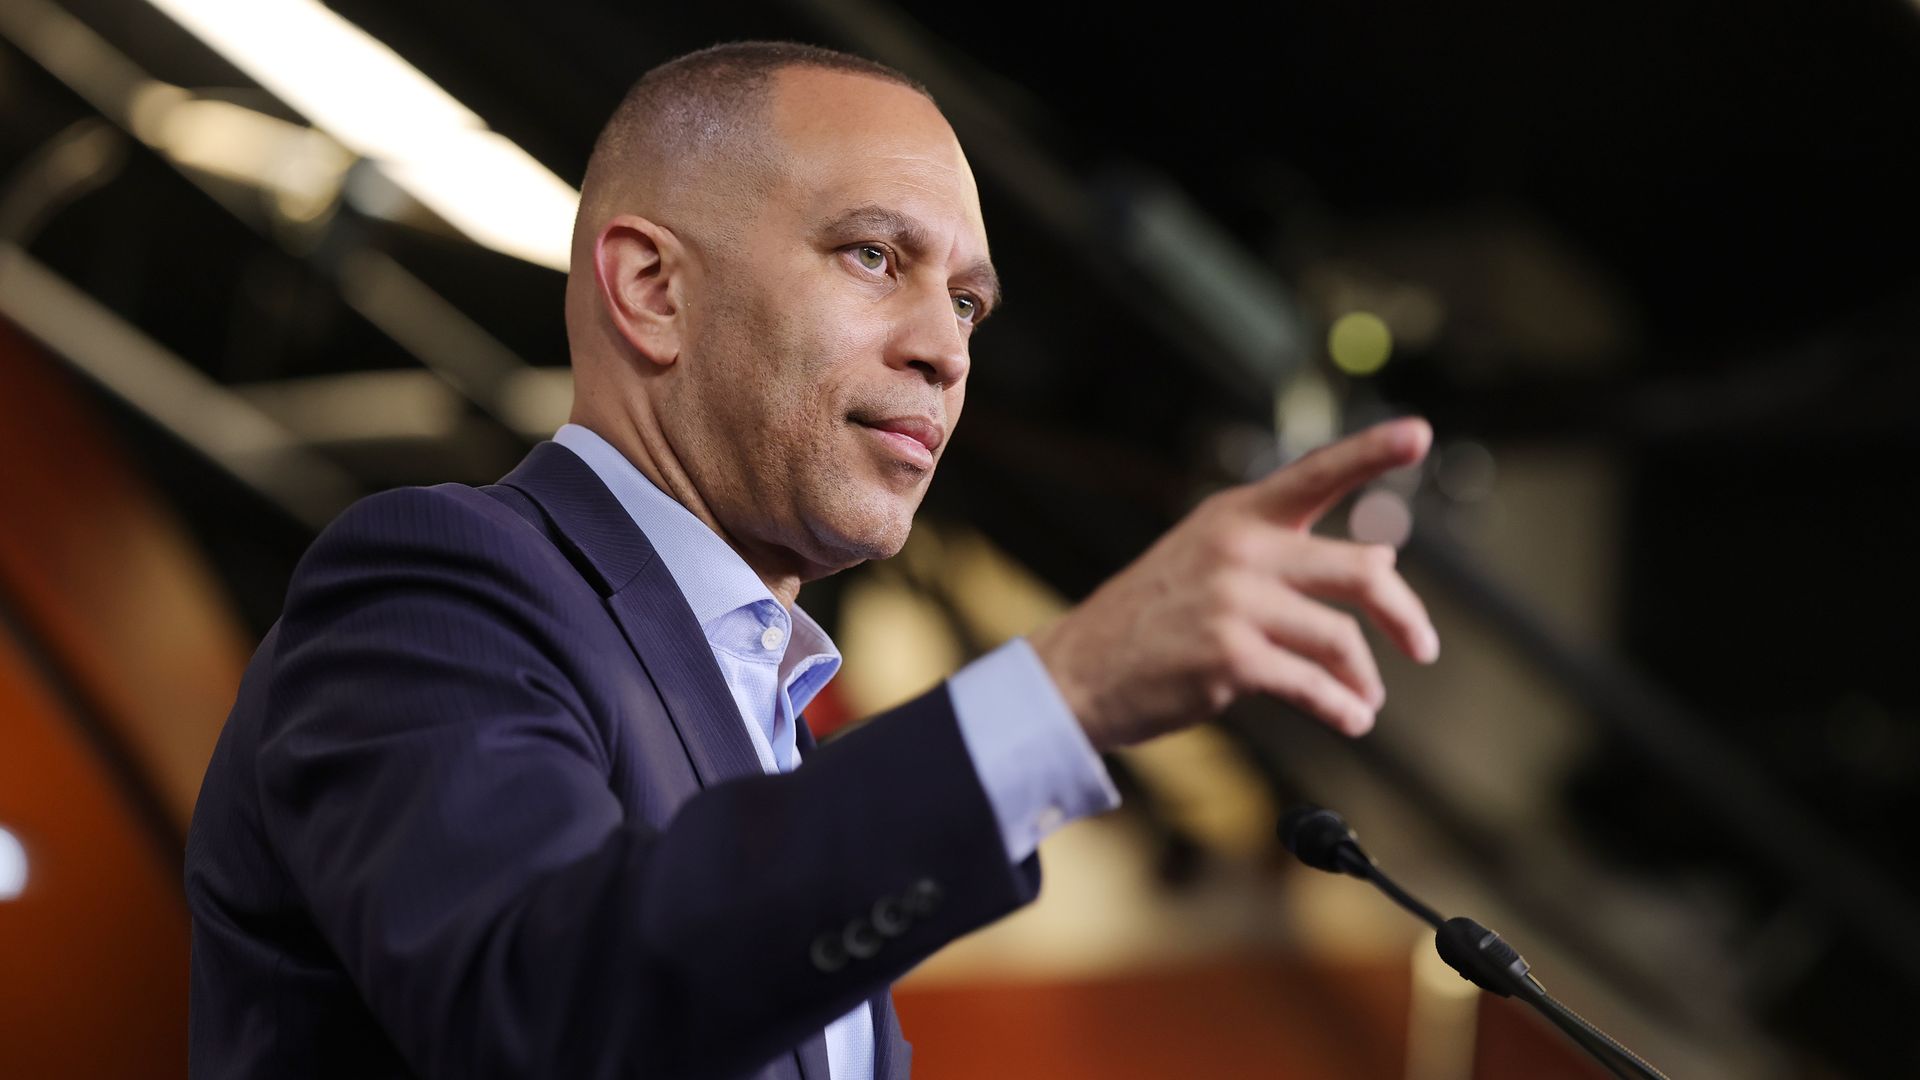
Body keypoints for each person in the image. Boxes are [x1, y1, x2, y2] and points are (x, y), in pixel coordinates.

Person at [185, 41, 1440, 1080]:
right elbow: (549, 1007)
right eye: (874, 256)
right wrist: (1061, 695)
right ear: (650, 288)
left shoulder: (779, 735)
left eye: (967, 303)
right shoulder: (437, 586)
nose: (946, 351)